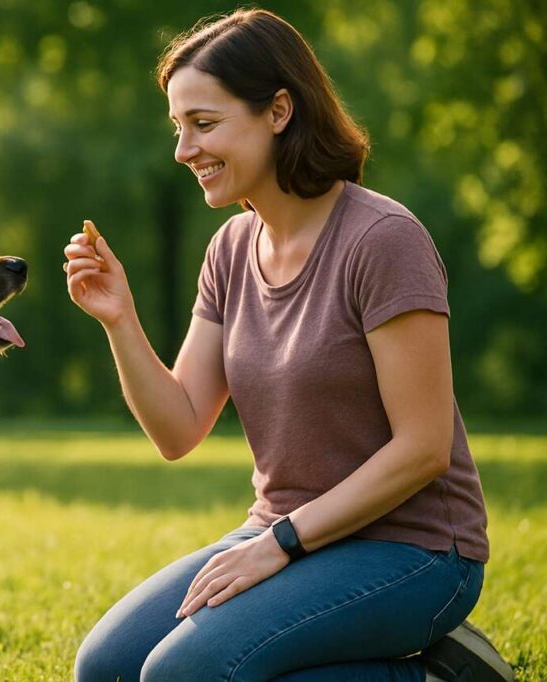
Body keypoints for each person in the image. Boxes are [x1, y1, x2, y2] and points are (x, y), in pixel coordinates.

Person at [63, 9, 514, 682]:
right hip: (285, 534)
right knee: (106, 667)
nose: (184, 150)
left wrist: (280, 543)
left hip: (415, 550)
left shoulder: (382, 240)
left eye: (204, 124)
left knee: (183, 675)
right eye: (178, 127)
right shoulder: (230, 250)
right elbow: (179, 427)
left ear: (278, 111)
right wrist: (119, 320)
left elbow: (422, 449)